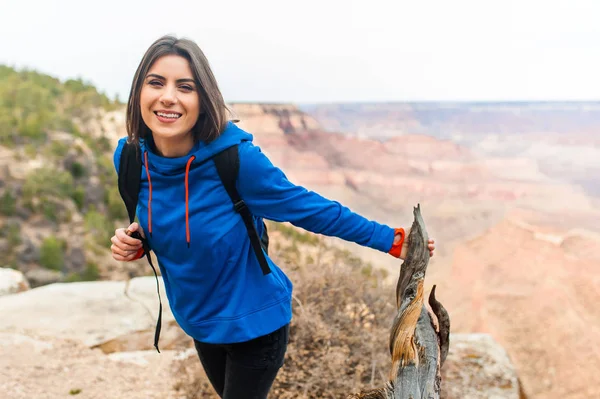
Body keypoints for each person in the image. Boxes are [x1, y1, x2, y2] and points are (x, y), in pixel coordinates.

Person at [110, 35, 435, 399]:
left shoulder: (235, 161)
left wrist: (388, 240)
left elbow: (308, 208)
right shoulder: (129, 159)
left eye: (185, 87)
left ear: (203, 99)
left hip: (256, 324)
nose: (168, 96)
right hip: (199, 322)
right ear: (139, 91)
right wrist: (136, 241)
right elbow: (160, 215)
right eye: (156, 82)